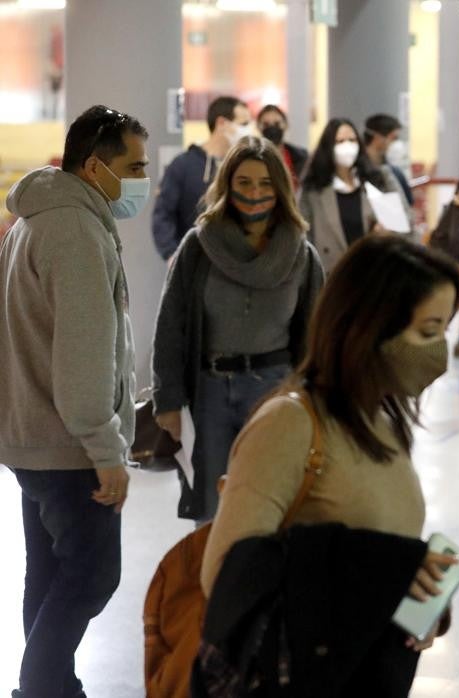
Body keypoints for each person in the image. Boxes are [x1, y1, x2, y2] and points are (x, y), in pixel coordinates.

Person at [201, 235, 459, 692]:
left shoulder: (380, 417)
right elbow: (225, 576)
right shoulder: (290, 424)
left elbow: (384, 556)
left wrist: (422, 600)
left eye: (443, 331)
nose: (439, 351)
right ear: (369, 325)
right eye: (427, 331)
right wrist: (386, 570)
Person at [0, 105, 150, 698]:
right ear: (95, 166)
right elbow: (85, 354)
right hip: (67, 444)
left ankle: (51, 684)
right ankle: (40, 689)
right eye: (133, 166)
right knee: (91, 576)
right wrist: (106, 449)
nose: (141, 179)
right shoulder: (77, 232)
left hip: (29, 435)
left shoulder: (33, 221)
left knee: (50, 570)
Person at [152, 136, 325, 523]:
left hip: (276, 392)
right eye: (244, 182)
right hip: (210, 391)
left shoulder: (300, 254)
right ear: (227, 185)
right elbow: (171, 326)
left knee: (272, 503)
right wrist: (168, 400)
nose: (254, 193)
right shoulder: (198, 247)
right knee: (212, 511)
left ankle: (263, 581)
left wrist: (320, 402)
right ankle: (211, 581)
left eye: (265, 184)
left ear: (280, 189)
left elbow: (318, 336)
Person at [299, 117, 404, 273]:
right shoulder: (314, 190)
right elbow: (304, 238)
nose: (347, 146)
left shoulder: (377, 179)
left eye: (352, 140)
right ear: (328, 146)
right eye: (340, 141)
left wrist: (387, 230)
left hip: (375, 271)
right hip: (331, 276)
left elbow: (400, 223)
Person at [152, 95, 251, 260]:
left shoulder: (244, 167)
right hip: (194, 263)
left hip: (236, 265)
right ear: (222, 124)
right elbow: (163, 215)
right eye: (243, 124)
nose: (248, 130)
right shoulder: (183, 166)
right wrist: (172, 255)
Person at [364, 113, 416, 207]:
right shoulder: (358, 170)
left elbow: (407, 205)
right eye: (394, 138)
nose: (397, 144)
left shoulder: (395, 173)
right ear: (378, 137)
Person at [257, 104, 308, 188]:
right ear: (259, 127)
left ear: (286, 125)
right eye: (266, 124)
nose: (272, 128)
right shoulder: (252, 157)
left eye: (277, 124)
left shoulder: (302, 157)